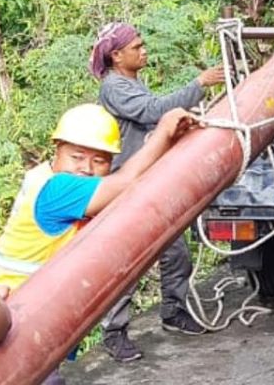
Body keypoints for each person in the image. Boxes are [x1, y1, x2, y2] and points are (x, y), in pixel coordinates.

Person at [0, 103, 197, 384]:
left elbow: (123, 181)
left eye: (99, 161)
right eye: (77, 157)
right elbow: (126, 182)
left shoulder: (44, 178)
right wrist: (163, 132)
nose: (86, 169)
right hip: (15, 322)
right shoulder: (58, 189)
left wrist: (160, 144)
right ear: (57, 149)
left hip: (22, 315)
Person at [90, 22, 225, 361]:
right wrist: (199, 84)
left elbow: (154, 122)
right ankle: (114, 331)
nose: (144, 50)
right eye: (137, 47)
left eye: (143, 44)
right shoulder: (114, 87)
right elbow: (153, 112)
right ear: (117, 55)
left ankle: (173, 311)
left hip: (151, 180)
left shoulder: (133, 82)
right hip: (125, 185)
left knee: (176, 251)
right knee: (130, 261)